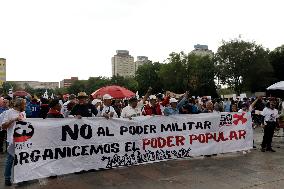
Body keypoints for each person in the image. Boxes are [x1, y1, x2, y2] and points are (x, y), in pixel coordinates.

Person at [1, 98, 26, 186]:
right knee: (10, 159)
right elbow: (3, 126)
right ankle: (7, 178)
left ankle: (20, 178)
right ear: (20, 105)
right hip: (11, 139)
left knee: (21, 158)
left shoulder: (23, 113)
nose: (25, 106)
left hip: (22, 139)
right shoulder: (9, 112)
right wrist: (14, 119)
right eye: (24, 104)